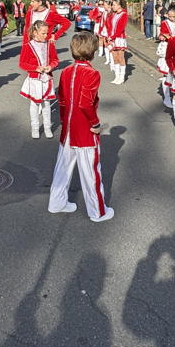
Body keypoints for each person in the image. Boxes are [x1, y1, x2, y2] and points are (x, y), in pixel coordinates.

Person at [47, 31, 112, 221]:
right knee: (91, 172)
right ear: (93, 51)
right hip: (84, 130)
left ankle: (56, 203)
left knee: (62, 168)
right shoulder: (92, 73)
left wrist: (63, 120)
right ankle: (97, 212)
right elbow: (85, 103)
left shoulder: (66, 71)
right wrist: (95, 123)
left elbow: (62, 101)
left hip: (68, 128)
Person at [19, 20, 58, 138]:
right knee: (35, 104)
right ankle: (35, 128)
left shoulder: (49, 44)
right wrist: (35, 68)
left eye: (47, 33)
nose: (46, 36)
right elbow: (22, 63)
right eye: (43, 33)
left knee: (47, 103)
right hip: (35, 79)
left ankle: (47, 127)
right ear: (35, 32)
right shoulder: (28, 46)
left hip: (47, 78)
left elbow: (55, 60)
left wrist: (51, 66)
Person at [155, 2, 175, 110]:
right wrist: (163, 36)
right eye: (169, 16)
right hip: (168, 48)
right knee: (167, 74)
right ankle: (167, 98)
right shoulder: (165, 22)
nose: (171, 18)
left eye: (173, 16)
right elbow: (163, 33)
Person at [107, 0, 130, 84]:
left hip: (119, 38)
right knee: (115, 58)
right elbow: (110, 26)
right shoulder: (114, 14)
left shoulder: (124, 14)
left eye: (114, 5)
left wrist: (113, 36)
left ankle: (122, 77)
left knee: (121, 58)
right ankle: (116, 77)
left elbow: (120, 28)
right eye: (112, 5)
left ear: (119, 5)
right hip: (112, 38)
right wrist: (109, 36)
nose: (112, 6)